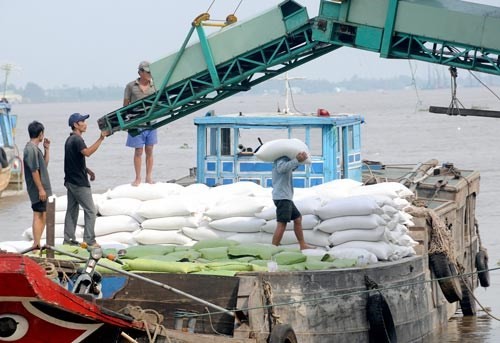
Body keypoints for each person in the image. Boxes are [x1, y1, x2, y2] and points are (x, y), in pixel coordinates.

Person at [63, 113, 108, 248]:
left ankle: (68, 240)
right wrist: (101, 139)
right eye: (82, 121)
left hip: (70, 181)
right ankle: (89, 240)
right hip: (79, 183)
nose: (85, 123)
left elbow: (74, 161)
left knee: (72, 210)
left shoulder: (69, 140)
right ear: (76, 125)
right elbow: (87, 153)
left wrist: (87, 170)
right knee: (91, 211)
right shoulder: (77, 140)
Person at [123, 61, 157, 186]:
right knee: (138, 151)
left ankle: (149, 177)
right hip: (136, 122)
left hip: (151, 122)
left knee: (149, 149)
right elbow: (125, 105)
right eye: (147, 72)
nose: (149, 74)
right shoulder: (131, 86)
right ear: (140, 72)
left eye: (150, 72)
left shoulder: (155, 85)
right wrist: (126, 121)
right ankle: (138, 178)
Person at [272, 151, 311, 250]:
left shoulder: (286, 160)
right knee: (282, 224)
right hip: (282, 197)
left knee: (297, 218)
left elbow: (290, 167)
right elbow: (282, 169)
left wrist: (298, 161)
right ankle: (272, 249)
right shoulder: (281, 159)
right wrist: (296, 160)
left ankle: (302, 245)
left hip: (286, 197)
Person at [23, 121, 52, 249]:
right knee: (38, 214)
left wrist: (46, 149)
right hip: (37, 188)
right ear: (40, 134)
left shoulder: (35, 149)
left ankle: (37, 242)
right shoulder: (30, 149)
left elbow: (43, 166)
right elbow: (34, 171)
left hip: (42, 187)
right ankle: (36, 243)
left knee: (44, 214)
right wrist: (40, 189)